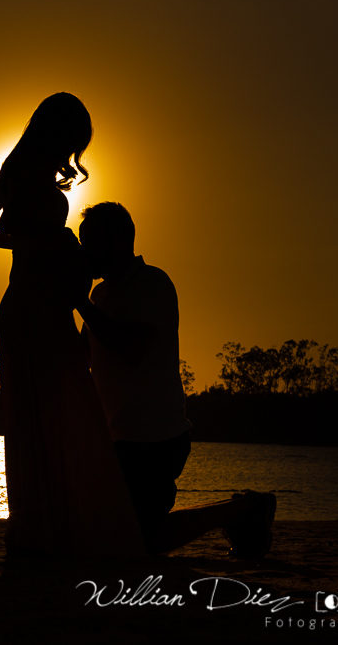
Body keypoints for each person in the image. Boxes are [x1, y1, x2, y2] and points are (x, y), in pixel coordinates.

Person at [0, 93, 145, 558]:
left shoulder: (43, 169)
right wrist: (39, 245)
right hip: (27, 304)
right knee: (36, 413)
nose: (75, 149)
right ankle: (43, 524)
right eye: (74, 137)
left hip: (53, 304)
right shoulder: (19, 167)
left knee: (65, 406)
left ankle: (67, 517)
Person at [76, 201, 276, 558]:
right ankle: (242, 510)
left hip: (155, 438)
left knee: (140, 540)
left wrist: (80, 303)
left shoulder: (152, 284)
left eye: (89, 241)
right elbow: (83, 356)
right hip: (117, 439)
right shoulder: (100, 294)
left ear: (120, 240)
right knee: (109, 534)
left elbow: (131, 350)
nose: (83, 252)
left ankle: (244, 509)